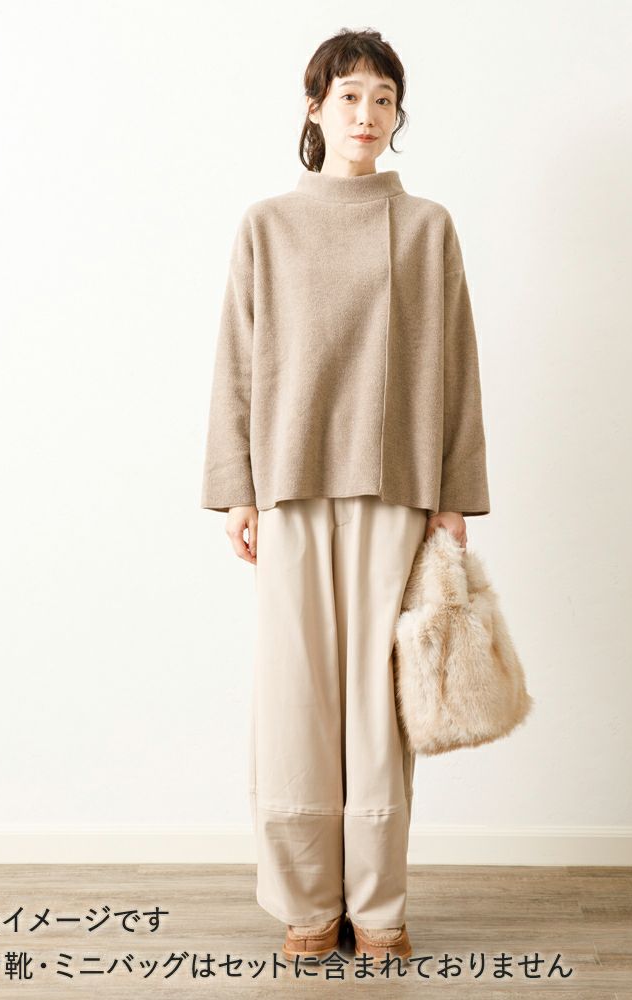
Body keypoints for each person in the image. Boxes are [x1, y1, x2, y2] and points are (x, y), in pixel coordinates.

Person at [201, 28, 490, 962]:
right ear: (316, 108)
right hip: (288, 487)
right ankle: (307, 906)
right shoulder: (267, 225)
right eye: (350, 96)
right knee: (296, 697)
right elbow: (237, 362)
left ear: (398, 115)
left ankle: (378, 907)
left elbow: (458, 370)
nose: (367, 114)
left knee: (377, 705)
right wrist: (236, 488)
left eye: (383, 98)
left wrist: (454, 494)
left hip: (396, 486)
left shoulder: (427, 227)